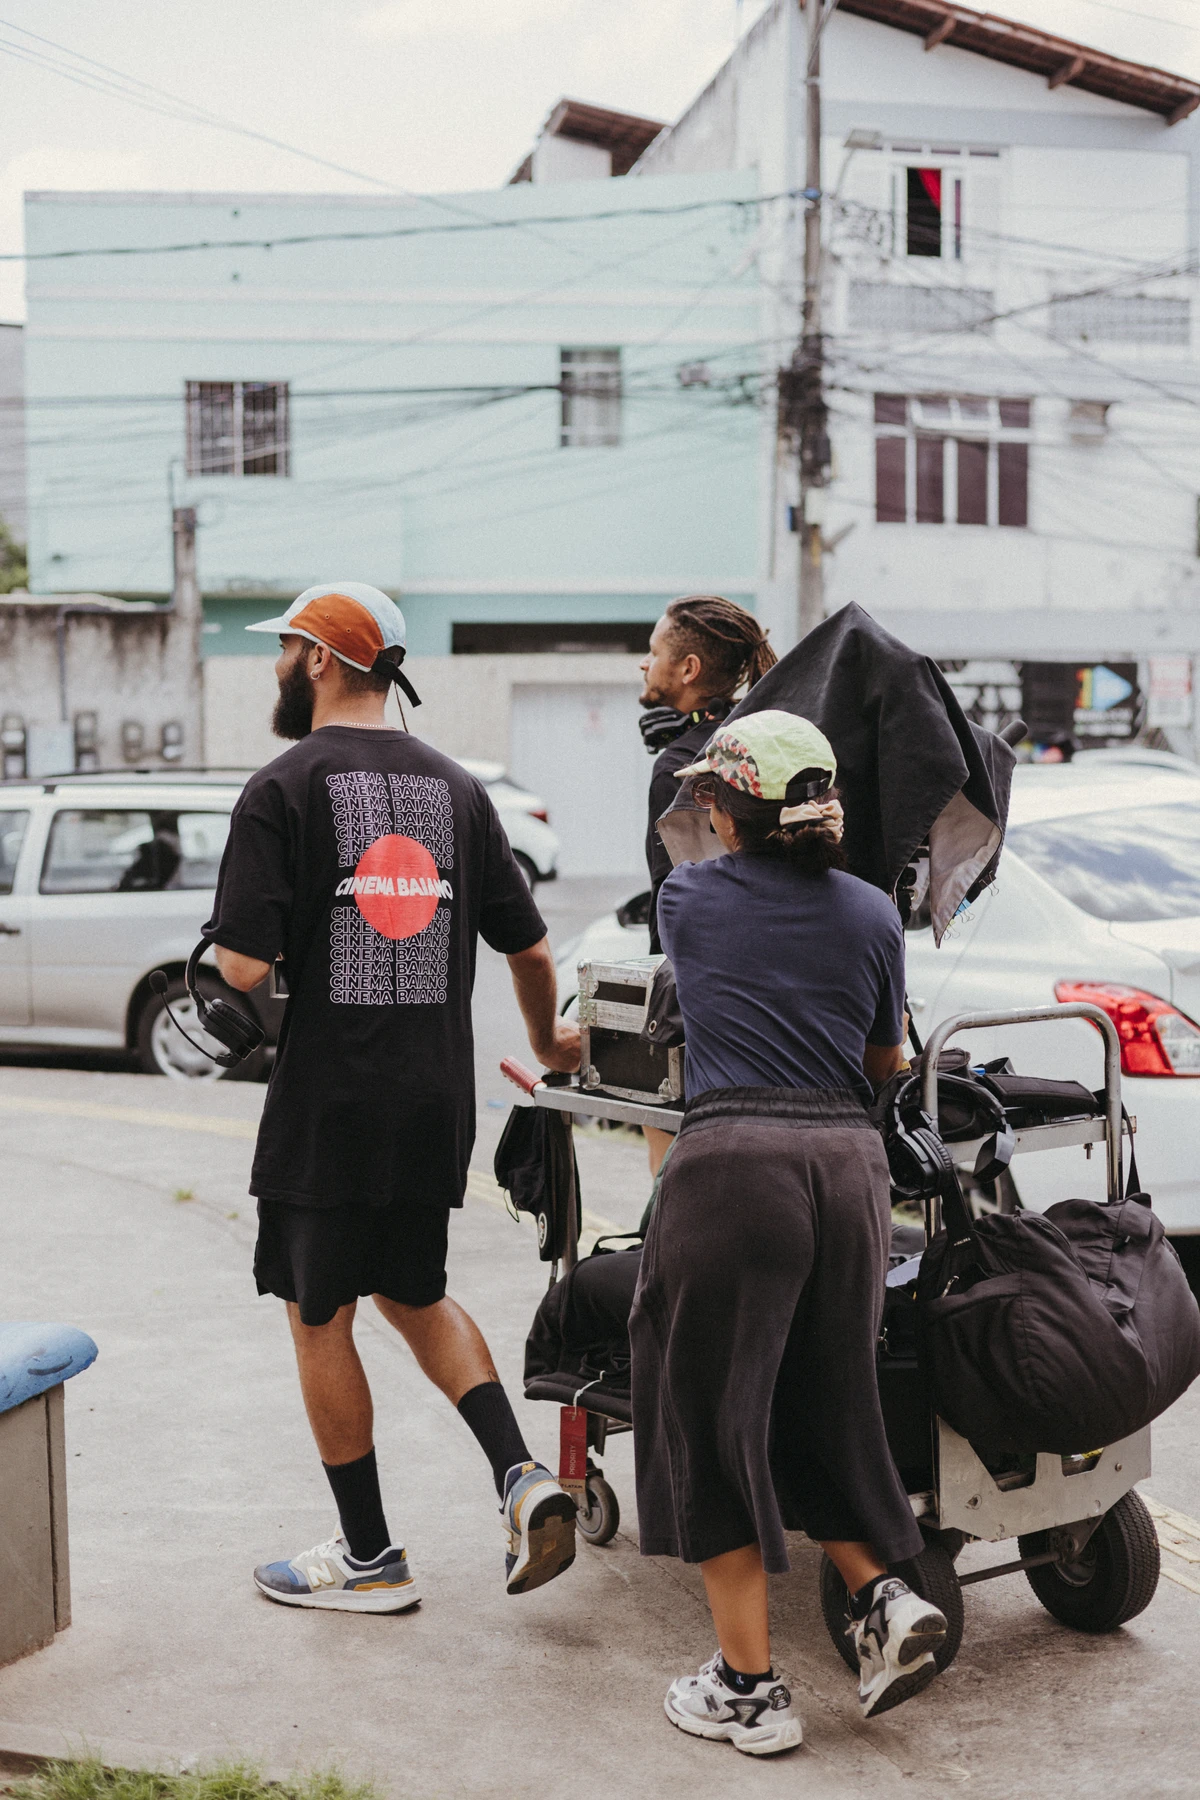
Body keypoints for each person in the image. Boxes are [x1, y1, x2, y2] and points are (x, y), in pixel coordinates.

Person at [204, 581, 581, 1614]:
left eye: (289, 649)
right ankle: (520, 1473)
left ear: (322, 660)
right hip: (432, 1101)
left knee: (318, 1312)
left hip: (332, 1103)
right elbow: (531, 945)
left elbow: (238, 965)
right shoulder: (459, 789)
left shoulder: (281, 786)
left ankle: (371, 1558)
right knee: (412, 1291)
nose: (283, 665)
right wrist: (549, 1041)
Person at [628, 710, 945, 1758]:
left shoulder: (690, 897)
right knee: (825, 1399)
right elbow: (886, 1060)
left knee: (713, 1421)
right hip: (851, 1172)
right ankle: (884, 1599)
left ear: (727, 809)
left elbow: (701, 964)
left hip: (736, 1168)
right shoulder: (871, 915)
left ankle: (750, 1691)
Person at [637, 595, 776, 1176]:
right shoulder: (760, 748)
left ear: (689, 669)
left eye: (653, 653)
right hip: (774, 1021)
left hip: (700, 1025)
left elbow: (685, 910)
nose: (643, 665)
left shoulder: (684, 768)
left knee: (679, 1196)